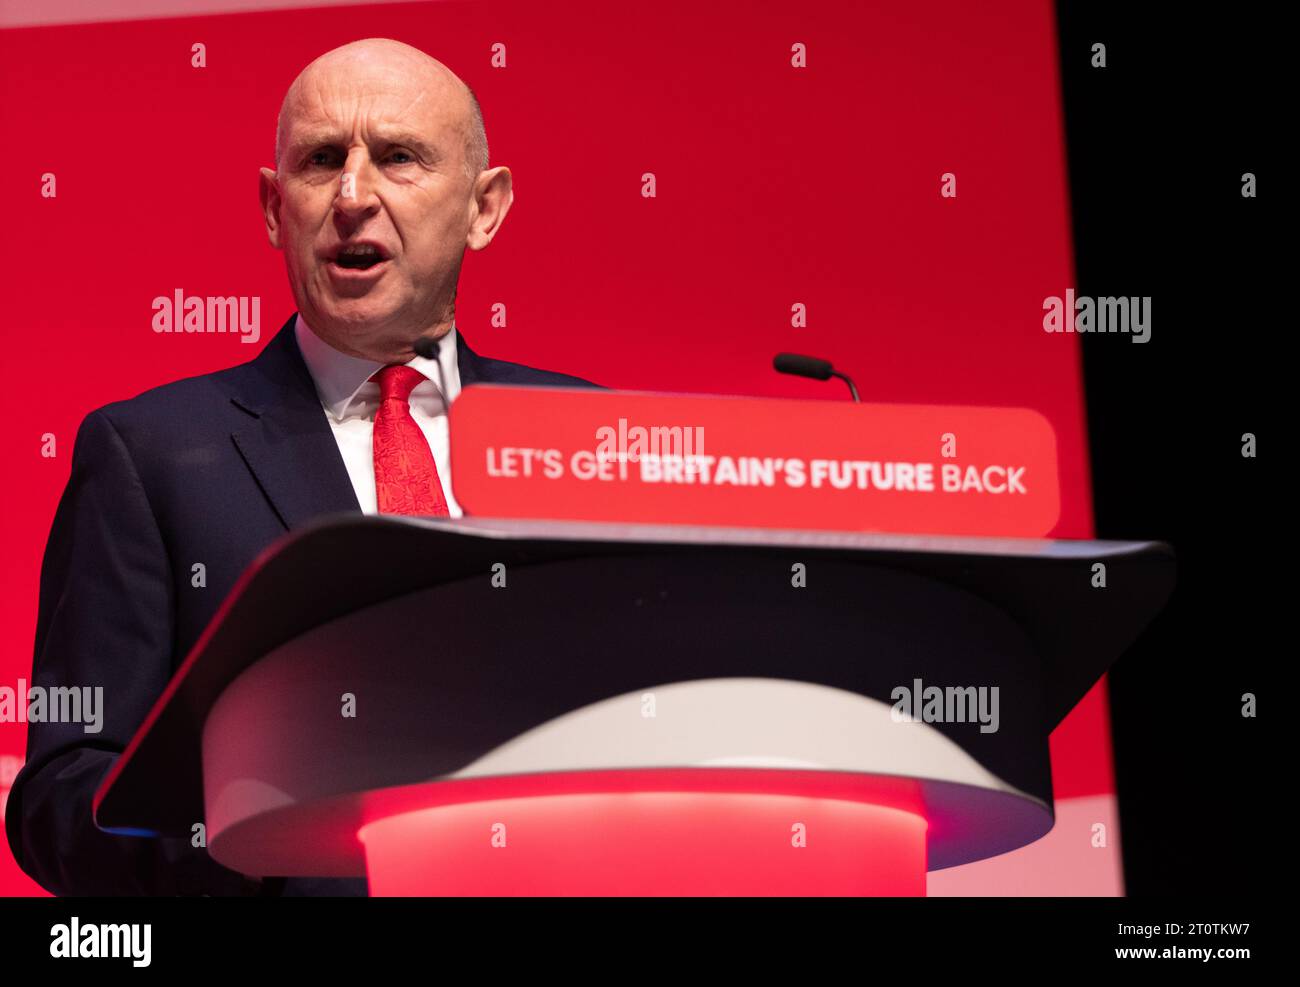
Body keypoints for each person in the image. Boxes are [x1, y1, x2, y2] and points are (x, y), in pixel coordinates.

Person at [5, 38, 599, 896]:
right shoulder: (151, 454)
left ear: (486, 207)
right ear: (274, 207)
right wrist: (274, 840)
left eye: (399, 158)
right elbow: (61, 800)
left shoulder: (589, 437)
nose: (354, 197)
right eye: (322, 161)